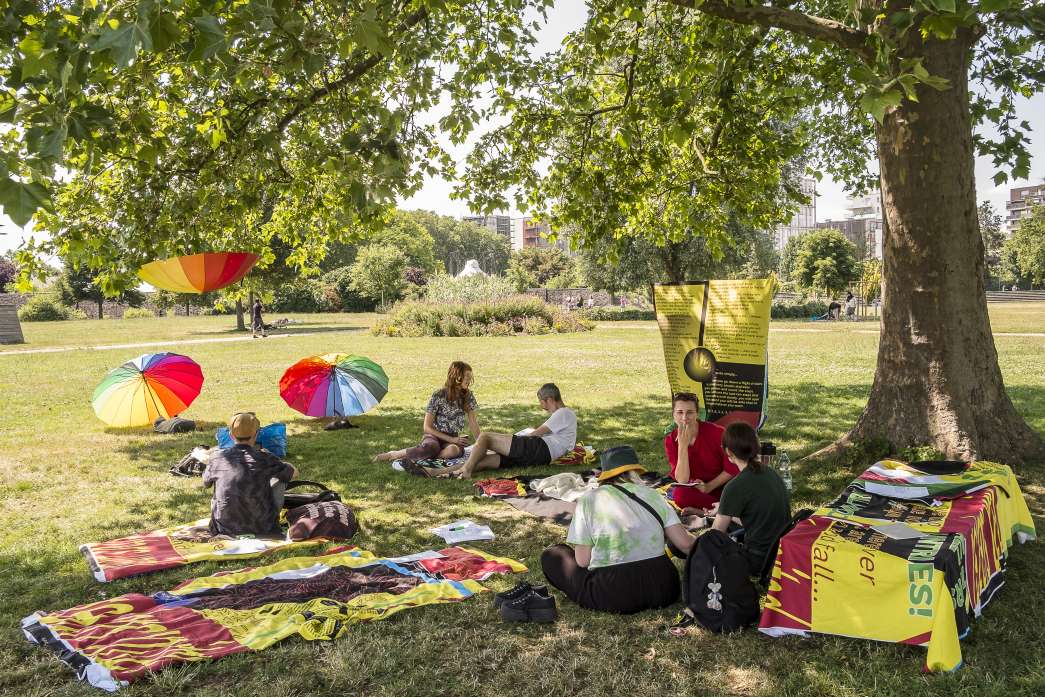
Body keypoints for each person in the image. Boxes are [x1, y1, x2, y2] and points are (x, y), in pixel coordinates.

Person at [540, 445, 696, 614]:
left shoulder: (589, 500)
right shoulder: (653, 495)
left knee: (554, 555)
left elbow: (583, 561)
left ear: (605, 474)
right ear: (635, 470)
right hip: (664, 589)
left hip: (614, 594)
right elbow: (685, 544)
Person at [709, 422, 791, 576]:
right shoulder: (771, 473)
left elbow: (716, 533)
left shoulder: (735, 486)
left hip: (758, 560)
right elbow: (759, 517)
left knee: (711, 542)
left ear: (728, 452)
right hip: (780, 553)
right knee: (732, 528)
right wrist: (724, 509)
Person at [450, 383, 576, 478]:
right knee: (485, 460)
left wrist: (515, 441)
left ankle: (466, 470)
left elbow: (536, 434)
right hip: (540, 458)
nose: (542, 407)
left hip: (539, 449)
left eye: (542, 403)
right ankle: (437, 472)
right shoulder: (566, 416)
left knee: (485, 437)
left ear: (550, 399)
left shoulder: (564, 413)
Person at [203, 412, 297, 537]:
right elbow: (293, 473)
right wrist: (277, 461)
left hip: (223, 527)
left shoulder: (217, 458)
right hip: (263, 527)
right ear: (256, 434)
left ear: (231, 435)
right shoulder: (265, 458)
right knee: (280, 479)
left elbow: (206, 483)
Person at [373, 361, 481, 468]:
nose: (469, 379)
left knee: (453, 451)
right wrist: (452, 440)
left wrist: (481, 444)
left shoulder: (468, 396)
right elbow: (427, 427)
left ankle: (424, 456)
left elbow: (473, 423)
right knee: (430, 447)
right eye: (467, 376)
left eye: (470, 376)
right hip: (434, 435)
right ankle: (394, 454)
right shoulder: (439, 395)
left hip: (453, 437)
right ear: (457, 376)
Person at [664, 392, 737, 515]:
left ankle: (712, 511)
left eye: (690, 412)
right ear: (673, 414)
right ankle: (721, 511)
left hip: (724, 485)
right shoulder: (671, 440)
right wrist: (682, 446)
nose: (684, 417)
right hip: (698, 490)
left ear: (697, 413)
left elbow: (733, 467)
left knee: (742, 494)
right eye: (680, 412)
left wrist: (709, 487)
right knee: (680, 495)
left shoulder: (717, 433)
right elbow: (682, 479)